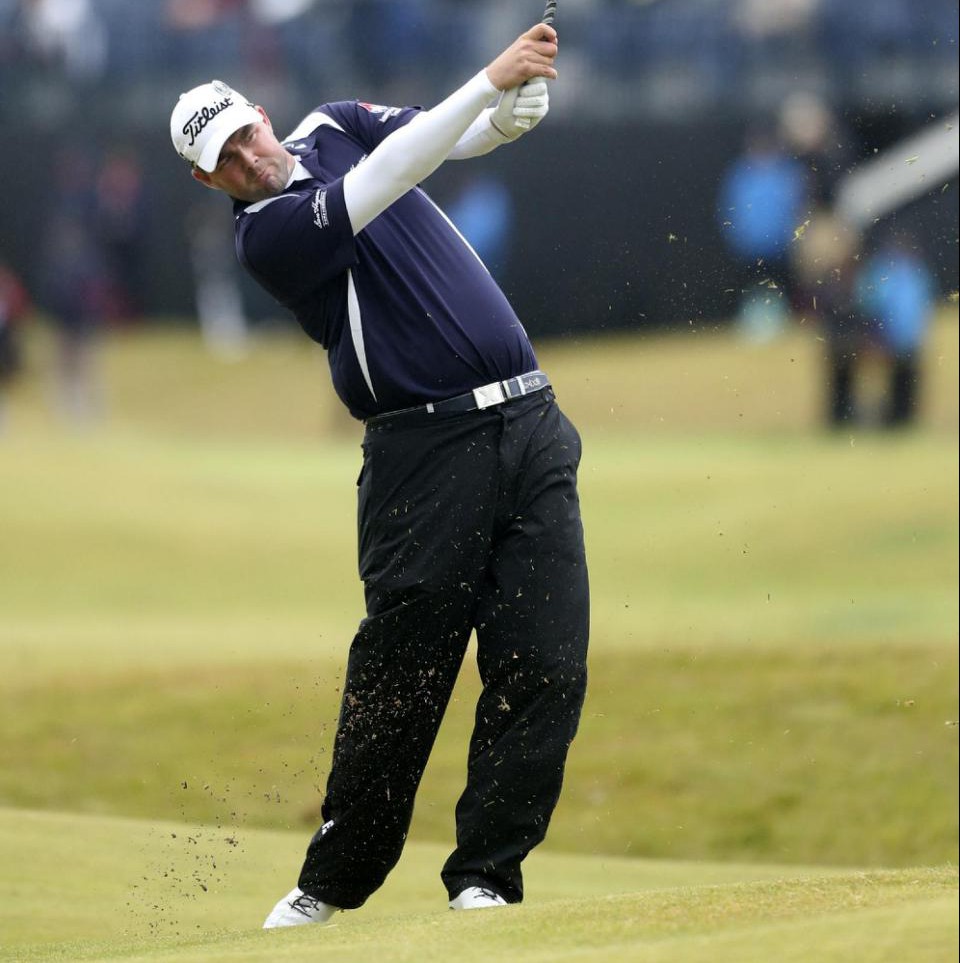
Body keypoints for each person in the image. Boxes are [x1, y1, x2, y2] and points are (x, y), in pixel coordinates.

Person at [170, 21, 589, 928]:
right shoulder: (268, 236)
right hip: (420, 457)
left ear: (262, 113)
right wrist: (490, 78)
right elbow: (388, 176)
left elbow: (458, 133)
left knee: (547, 663)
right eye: (225, 159)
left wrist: (518, 104)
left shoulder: (329, 124)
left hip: (532, 423)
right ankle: (333, 881)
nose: (248, 157)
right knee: (402, 678)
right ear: (208, 181)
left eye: (246, 132)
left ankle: (488, 875)